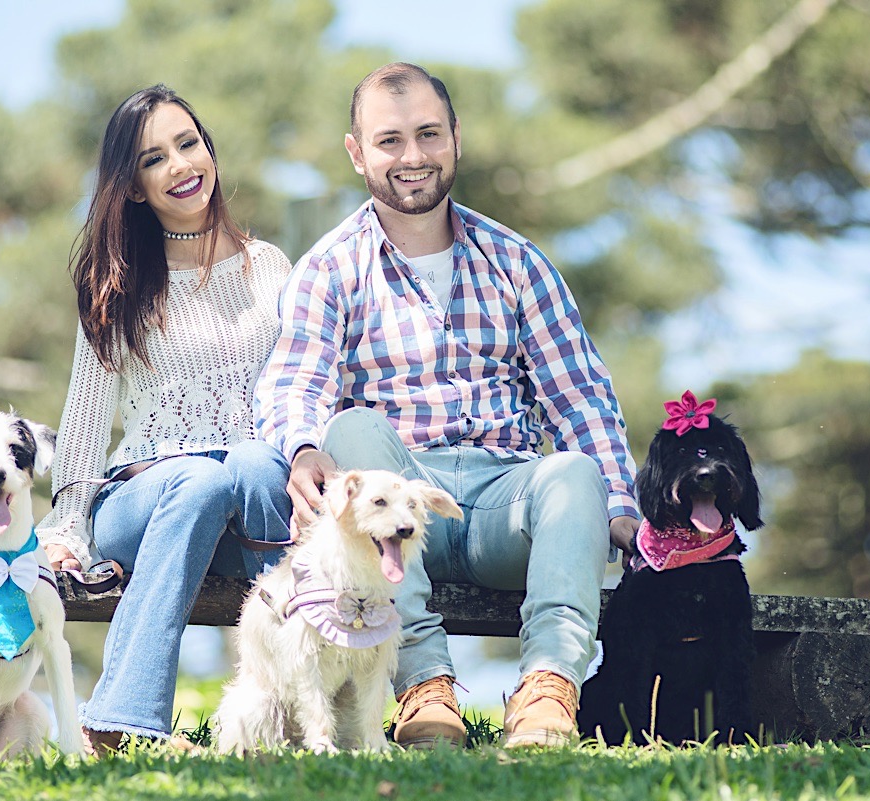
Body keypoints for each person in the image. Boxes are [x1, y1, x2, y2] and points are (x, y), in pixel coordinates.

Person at [254, 63, 639, 749]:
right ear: (357, 152)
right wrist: (304, 445)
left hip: (500, 506)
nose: (412, 157)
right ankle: (425, 690)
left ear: (456, 138)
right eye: (390, 140)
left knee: (578, 470)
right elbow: (294, 380)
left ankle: (548, 690)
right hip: (394, 505)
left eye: (429, 134)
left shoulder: (518, 262)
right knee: (351, 428)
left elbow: (581, 397)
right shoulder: (331, 266)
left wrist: (619, 512)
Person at [37, 85, 293, 754]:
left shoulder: (269, 269)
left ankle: (283, 707)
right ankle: (115, 719)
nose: (182, 166)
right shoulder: (115, 284)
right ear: (134, 186)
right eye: (155, 158)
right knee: (198, 482)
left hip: (248, 512)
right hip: (142, 500)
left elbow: (303, 388)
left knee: (259, 463)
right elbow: (86, 422)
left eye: (189, 144)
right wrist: (67, 526)